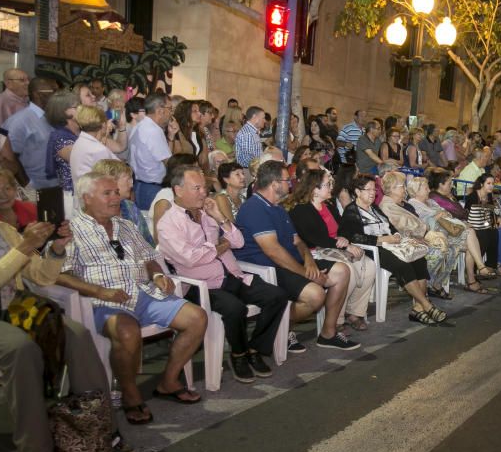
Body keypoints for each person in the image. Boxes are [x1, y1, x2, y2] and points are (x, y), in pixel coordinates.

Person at [0, 159, 133, 452]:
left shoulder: (0, 231)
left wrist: (55, 248)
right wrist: (24, 247)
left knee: (78, 335)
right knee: (19, 349)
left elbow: (39, 274)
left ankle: (101, 431)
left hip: (13, 310)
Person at [58, 172, 208, 423]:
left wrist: (158, 275)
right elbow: (58, 275)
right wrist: (98, 291)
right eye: (107, 193)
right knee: (128, 332)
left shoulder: (125, 225)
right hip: (102, 300)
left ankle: (169, 381)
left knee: (197, 317)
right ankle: (130, 394)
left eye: (116, 192)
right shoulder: (72, 231)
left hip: (142, 292)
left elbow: (149, 258)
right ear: (86, 198)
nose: (116, 197)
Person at [157, 165, 289, 382]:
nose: (204, 193)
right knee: (234, 308)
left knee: (277, 296)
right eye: (197, 188)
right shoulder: (169, 223)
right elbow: (191, 258)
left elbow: (238, 241)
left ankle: (254, 350)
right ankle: (238, 355)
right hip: (202, 285)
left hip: (234, 276)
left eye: (205, 188)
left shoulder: (207, 213)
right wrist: (218, 246)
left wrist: (219, 217)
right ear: (178, 190)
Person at [233, 161, 358, 351]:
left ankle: (328, 333)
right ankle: (282, 330)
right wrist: (306, 273)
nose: (290, 184)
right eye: (286, 180)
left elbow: (298, 241)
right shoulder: (254, 208)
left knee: (342, 271)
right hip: (268, 268)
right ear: (275, 184)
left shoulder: (278, 207)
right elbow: (273, 251)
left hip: (290, 262)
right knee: (315, 295)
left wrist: (309, 261)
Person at [339, 175, 445, 325]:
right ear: (357, 191)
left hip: (391, 245)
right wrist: (381, 240)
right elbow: (352, 237)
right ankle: (426, 305)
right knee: (403, 265)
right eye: (367, 190)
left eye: (373, 189)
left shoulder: (375, 208)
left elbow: (391, 226)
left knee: (419, 260)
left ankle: (418, 308)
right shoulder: (351, 211)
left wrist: (395, 235)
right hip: (374, 250)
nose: (372, 193)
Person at [289, 168, 376, 332]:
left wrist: (345, 241)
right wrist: (343, 244)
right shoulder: (301, 210)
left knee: (369, 265)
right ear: (315, 189)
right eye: (327, 184)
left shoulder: (328, 205)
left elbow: (342, 228)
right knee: (348, 269)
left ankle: (354, 313)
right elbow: (313, 238)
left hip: (335, 248)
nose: (331, 187)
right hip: (316, 252)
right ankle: (337, 318)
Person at [406, 173, 494, 294]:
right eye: (425, 188)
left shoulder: (430, 201)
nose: (428, 190)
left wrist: (443, 215)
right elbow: (419, 224)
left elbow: (446, 213)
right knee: (471, 237)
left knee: (471, 237)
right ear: (416, 191)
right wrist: (437, 216)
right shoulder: (413, 204)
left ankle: (474, 276)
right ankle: (475, 274)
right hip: (435, 235)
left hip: (447, 232)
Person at [380, 170, 455, 298]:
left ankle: (432, 284)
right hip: (405, 243)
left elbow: (418, 222)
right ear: (392, 188)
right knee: (437, 250)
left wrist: (424, 233)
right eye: (402, 186)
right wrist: (420, 235)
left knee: (451, 249)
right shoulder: (387, 206)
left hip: (420, 237)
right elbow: (398, 230)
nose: (405, 189)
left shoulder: (404, 205)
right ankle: (423, 292)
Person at [5, 77, 59, 190]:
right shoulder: (20, 121)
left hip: (56, 186)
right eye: (54, 91)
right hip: (34, 188)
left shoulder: (54, 117)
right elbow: (9, 157)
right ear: (37, 95)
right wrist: (28, 185)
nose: (58, 96)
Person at [91, 159, 155, 246]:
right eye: (128, 180)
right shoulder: (93, 217)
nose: (131, 185)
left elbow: (147, 241)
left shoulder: (130, 206)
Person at [129, 94, 174, 210]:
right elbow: (169, 162)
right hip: (152, 188)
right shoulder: (153, 131)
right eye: (170, 109)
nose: (171, 113)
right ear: (160, 111)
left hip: (140, 185)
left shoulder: (139, 126)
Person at [465, 173, 501, 274]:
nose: (491, 186)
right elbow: (467, 214)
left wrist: (498, 218)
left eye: (493, 183)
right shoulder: (473, 196)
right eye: (488, 183)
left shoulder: (488, 196)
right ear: (481, 184)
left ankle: (491, 265)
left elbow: (492, 212)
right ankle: (475, 268)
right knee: (485, 234)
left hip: (485, 224)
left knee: (494, 232)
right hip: (473, 225)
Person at [43, 89, 82, 214]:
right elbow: (80, 158)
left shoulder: (82, 133)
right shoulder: (60, 137)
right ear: (64, 112)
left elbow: (120, 147)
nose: (83, 109)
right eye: (78, 106)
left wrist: (121, 128)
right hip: (73, 197)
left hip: (86, 195)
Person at [70, 106, 118, 183]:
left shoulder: (80, 141)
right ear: (103, 124)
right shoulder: (98, 150)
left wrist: (105, 134)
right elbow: (114, 174)